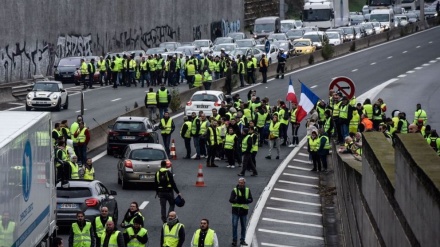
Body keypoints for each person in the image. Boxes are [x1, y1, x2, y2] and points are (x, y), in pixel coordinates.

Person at [229, 178, 253, 246]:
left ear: (244, 183)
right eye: (239, 182)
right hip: (236, 211)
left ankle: (242, 240)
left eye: (242, 183)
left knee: (243, 226)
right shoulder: (234, 190)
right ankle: (234, 241)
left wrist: (246, 200)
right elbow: (231, 200)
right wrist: (237, 200)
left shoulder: (247, 190)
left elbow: (251, 199)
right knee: (234, 226)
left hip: (244, 211)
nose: (240, 184)